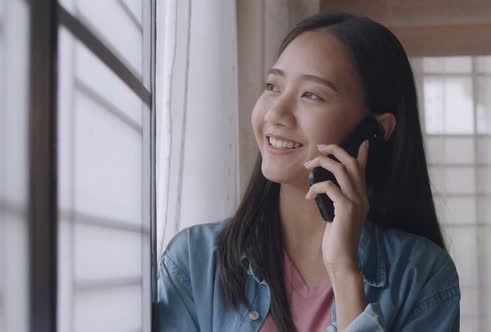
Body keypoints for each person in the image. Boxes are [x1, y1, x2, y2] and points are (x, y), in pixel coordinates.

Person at [157, 12, 460, 332]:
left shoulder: (422, 274)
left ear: (374, 131)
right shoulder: (194, 260)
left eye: (311, 95)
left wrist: (344, 273)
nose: (275, 113)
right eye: (273, 86)